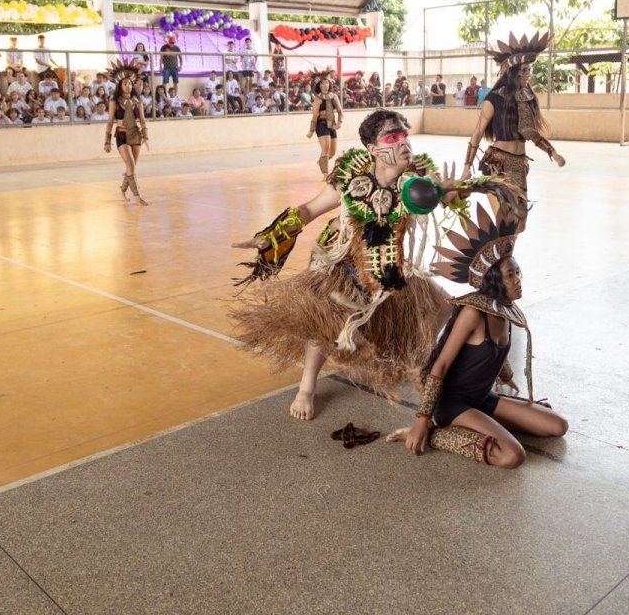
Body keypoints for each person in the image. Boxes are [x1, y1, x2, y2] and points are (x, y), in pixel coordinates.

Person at [231, 109, 521, 420]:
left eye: (404, 135)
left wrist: (453, 193)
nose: (403, 142)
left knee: (443, 308)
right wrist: (269, 237)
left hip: (387, 264)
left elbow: (443, 197)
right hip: (339, 261)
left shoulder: (419, 179)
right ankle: (307, 387)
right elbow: (307, 210)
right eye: (392, 137)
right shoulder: (349, 177)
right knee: (322, 320)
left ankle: (429, 364)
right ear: (373, 149)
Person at [387, 206, 567, 466]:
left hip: (483, 398)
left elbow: (492, 350)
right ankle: (436, 434)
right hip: (453, 404)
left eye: (518, 272)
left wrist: (505, 376)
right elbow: (441, 366)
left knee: (557, 425)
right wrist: (421, 420)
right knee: (511, 456)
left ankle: (483, 423)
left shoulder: (504, 309)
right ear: (494, 279)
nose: (517, 279)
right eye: (509, 274)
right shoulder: (473, 312)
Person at [465, 32, 566, 213]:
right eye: (525, 70)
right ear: (514, 72)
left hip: (519, 165)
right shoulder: (494, 99)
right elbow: (478, 133)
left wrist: (553, 152)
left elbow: (530, 133)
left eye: (530, 69)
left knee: (519, 224)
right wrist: (467, 167)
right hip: (498, 164)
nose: (529, 74)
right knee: (505, 223)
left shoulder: (527, 97)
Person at [103, 61, 150, 205]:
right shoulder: (115, 101)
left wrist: (146, 135)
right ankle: (137, 196)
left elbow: (142, 119)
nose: (128, 86)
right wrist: (107, 140)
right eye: (125, 84)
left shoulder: (137, 101)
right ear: (120, 86)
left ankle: (123, 189)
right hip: (122, 135)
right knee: (130, 165)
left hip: (135, 134)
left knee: (132, 166)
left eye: (130, 83)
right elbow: (110, 121)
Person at [306, 71, 345, 175]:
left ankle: (321, 162)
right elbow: (314, 117)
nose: (324, 85)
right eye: (322, 83)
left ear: (330, 84)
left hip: (332, 124)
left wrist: (340, 122)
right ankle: (325, 174)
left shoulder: (334, 96)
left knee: (332, 153)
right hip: (321, 125)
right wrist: (311, 131)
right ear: (319, 85)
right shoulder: (317, 99)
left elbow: (340, 111)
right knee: (325, 150)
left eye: (326, 83)